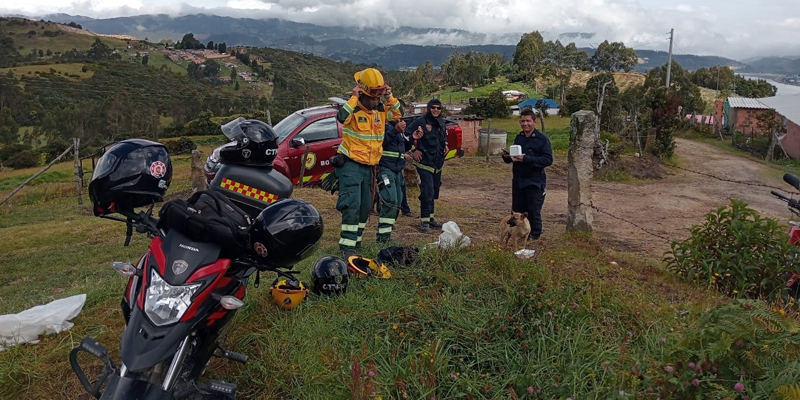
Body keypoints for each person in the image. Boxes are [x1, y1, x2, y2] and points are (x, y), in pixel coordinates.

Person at [333, 68, 402, 255]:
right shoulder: (353, 109)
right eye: (373, 96)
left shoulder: (380, 111)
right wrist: (353, 97)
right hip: (351, 165)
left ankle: (356, 242)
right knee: (352, 205)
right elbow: (341, 118)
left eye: (379, 96)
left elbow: (398, 115)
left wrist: (390, 96)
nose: (376, 100)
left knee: (365, 207)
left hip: (370, 167)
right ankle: (346, 248)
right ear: (362, 93)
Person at [502, 108, 553, 240]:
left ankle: (535, 235)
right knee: (517, 209)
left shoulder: (542, 139)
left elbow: (548, 160)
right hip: (518, 179)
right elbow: (515, 157)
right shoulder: (519, 137)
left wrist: (526, 159)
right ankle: (518, 233)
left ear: (535, 122)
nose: (525, 124)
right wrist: (507, 157)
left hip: (534, 180)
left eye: (528, 121)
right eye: (522, 121)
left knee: (533, 209)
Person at [405, 99, 448, 233]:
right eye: (433, 108)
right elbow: (406, 136)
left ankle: (430, 218)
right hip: (425, 163)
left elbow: (443, 137)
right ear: (428, 109)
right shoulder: (420, 122)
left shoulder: (441, 122)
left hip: (437, 163)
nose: (436, 110)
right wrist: (413, 149)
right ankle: (424, 222)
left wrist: (445, 145)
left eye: (438, 108)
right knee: (427, 192)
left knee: (434, 191)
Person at [376, 119, 422, 242]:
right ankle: (382, 237)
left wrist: (412, 137)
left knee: (397, 201)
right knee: (390, 199)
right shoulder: (381, 125)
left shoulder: (399, 128)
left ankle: (386, 236)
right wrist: (394, 130)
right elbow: (380, 143)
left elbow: (402, 147)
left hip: (397, 171)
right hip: (385, 169)